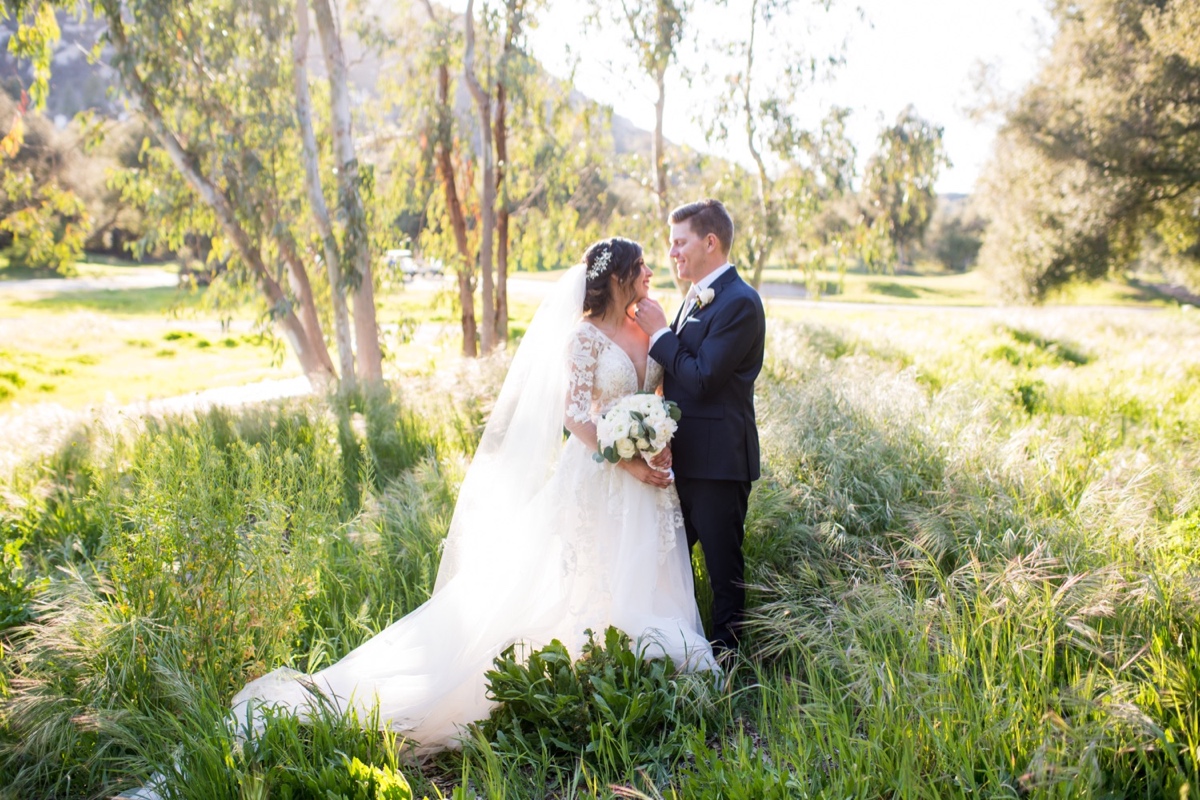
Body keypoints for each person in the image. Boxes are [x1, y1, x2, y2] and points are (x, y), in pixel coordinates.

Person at [230, 237, 715, 754]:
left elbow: (656, 396)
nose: (650, 271)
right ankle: (594, 670)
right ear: (617, 277)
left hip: (650, 479)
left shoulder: (649, 323)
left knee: (646, 565)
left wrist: (657, 441)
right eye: (639, 265)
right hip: (602, 475)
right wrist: (626, 459)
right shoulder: (584, 340)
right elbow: (575, 416)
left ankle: (643, 672)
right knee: (592, 573)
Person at [634, 199, 766, 655]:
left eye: (679, 241)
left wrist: (659, 335)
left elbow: (704, 377)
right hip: (683, 458)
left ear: (710, 242)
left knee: (721, 567)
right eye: (670, 243)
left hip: (719, 463)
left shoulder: (741, 302)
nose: (672, 252)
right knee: (668, 560)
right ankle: (673, 646)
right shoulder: (694, 296)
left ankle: (729, 663)